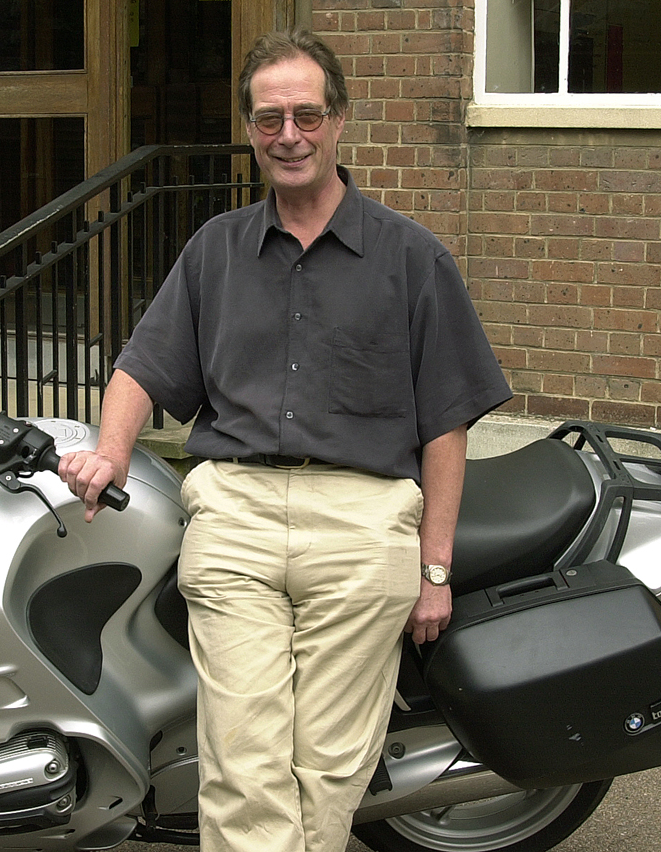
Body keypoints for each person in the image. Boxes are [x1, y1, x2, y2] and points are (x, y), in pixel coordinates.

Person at [58, 29, 512, 852]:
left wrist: (434, 569)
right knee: (242, 763)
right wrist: (111, 451)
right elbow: (142, 369)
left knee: (329, 766)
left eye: (306, 114)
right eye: (270, 120)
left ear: (340, 120)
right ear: (251, 128)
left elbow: (447, 423)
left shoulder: (412, 259)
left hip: (362, 520)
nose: (289, 136)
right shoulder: (214, 253)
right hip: (236, 518)